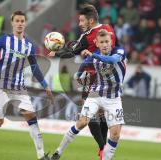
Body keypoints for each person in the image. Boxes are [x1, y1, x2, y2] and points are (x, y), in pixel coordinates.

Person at [0, 11, 54, 160]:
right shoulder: (4, 40)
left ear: (25, 23)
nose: (20, 23)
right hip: (1, 86)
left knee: (31, 118)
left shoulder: (29, 46)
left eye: (22, 21)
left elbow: (35, 68)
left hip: (19, 88)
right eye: (17, 21)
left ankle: (41, 155)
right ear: (12, 23)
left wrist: (46, 86)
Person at [48, 4, 117, 159]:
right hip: (108, 77)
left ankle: (102, 147)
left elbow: (71, 52)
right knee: (101, 116)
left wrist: (56, 52)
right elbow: (113, 48)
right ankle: (103, 149)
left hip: (92, 77)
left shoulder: (87, 36)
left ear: (91, 20)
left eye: (81, 20)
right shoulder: (108, 28)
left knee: (89, 117)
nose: (79, 24)